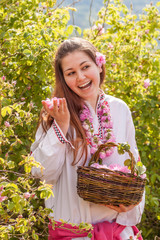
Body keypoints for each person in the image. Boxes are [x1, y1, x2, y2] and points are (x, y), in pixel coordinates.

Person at [31, 37, 145, 240]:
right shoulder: (55, 113)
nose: (81, 77)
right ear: (63, 78)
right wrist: (61, 126)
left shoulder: (119, 109)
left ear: (99, 65)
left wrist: (133, 202)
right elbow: (41, 173)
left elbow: (136, 166)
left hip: (117, 232)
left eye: (85, 67)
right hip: (73, 233)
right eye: (71, 73)